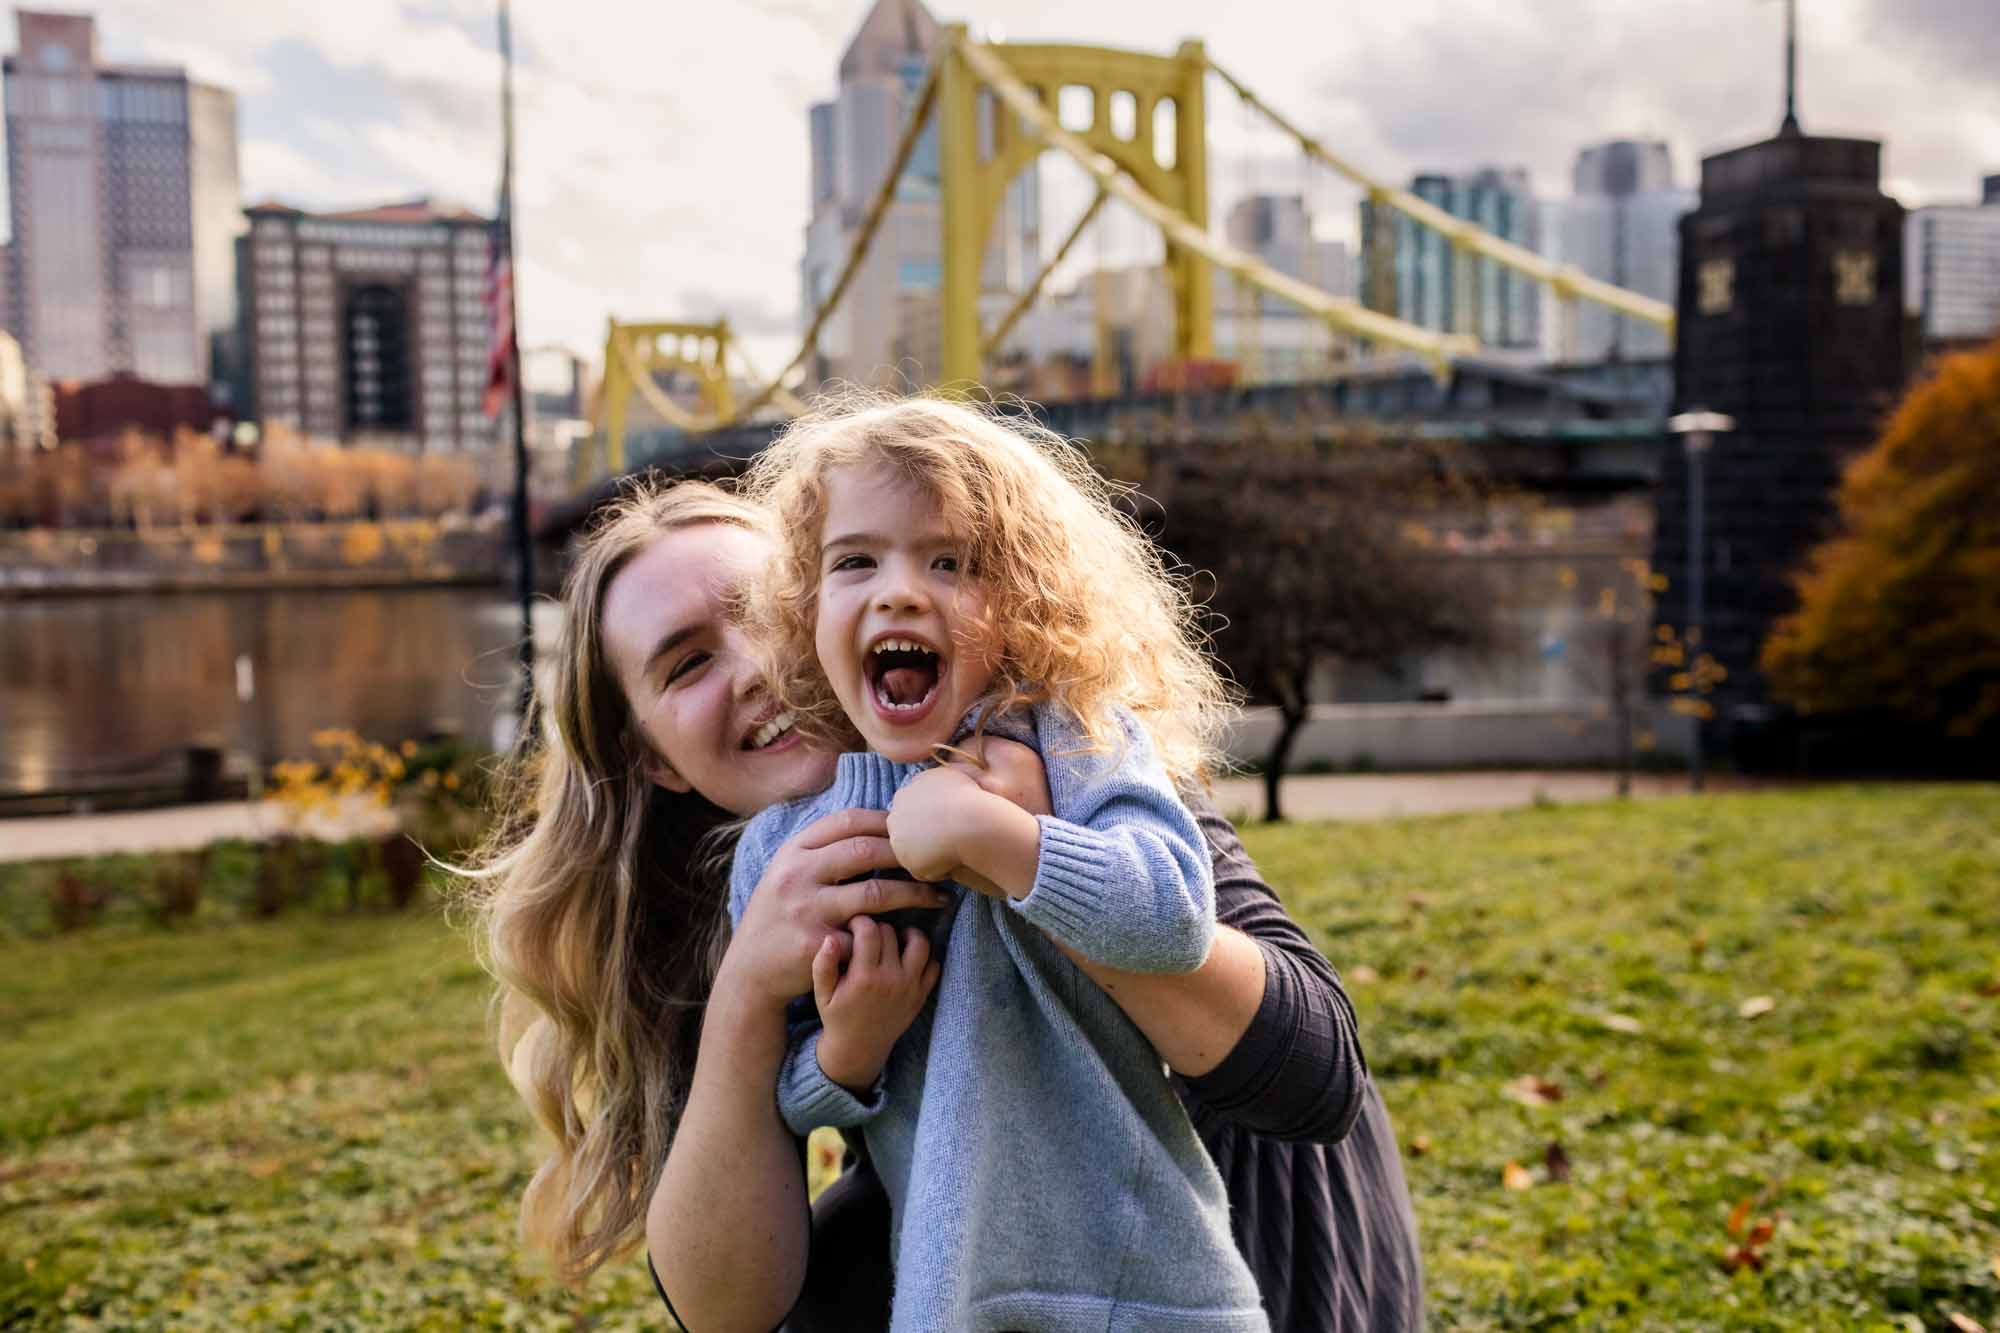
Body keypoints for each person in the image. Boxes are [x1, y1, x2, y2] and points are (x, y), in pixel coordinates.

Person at [461, 419, 1423, 1332]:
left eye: (767, 610)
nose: (755, 664)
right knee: (840, 1275)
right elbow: (729, 1306)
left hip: (1248, 1230)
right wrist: (750, 990)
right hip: (1004, 1242)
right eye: (686, 665)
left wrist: (1024, 847)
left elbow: (1313, 1080)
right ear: (657, 762)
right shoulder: (737, 888)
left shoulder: (1055, 737)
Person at [725, 396, 1262, 1329]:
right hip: (954, 1303)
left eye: (951, 562)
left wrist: (996, 839)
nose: (898, 591)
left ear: (1024, 604)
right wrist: (852, 1047)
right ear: (809, 611)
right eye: (856, 561)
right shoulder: (786, 848)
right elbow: (791, 1091)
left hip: (1157, 1292)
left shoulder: (1079, 742)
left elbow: (1174, 913)